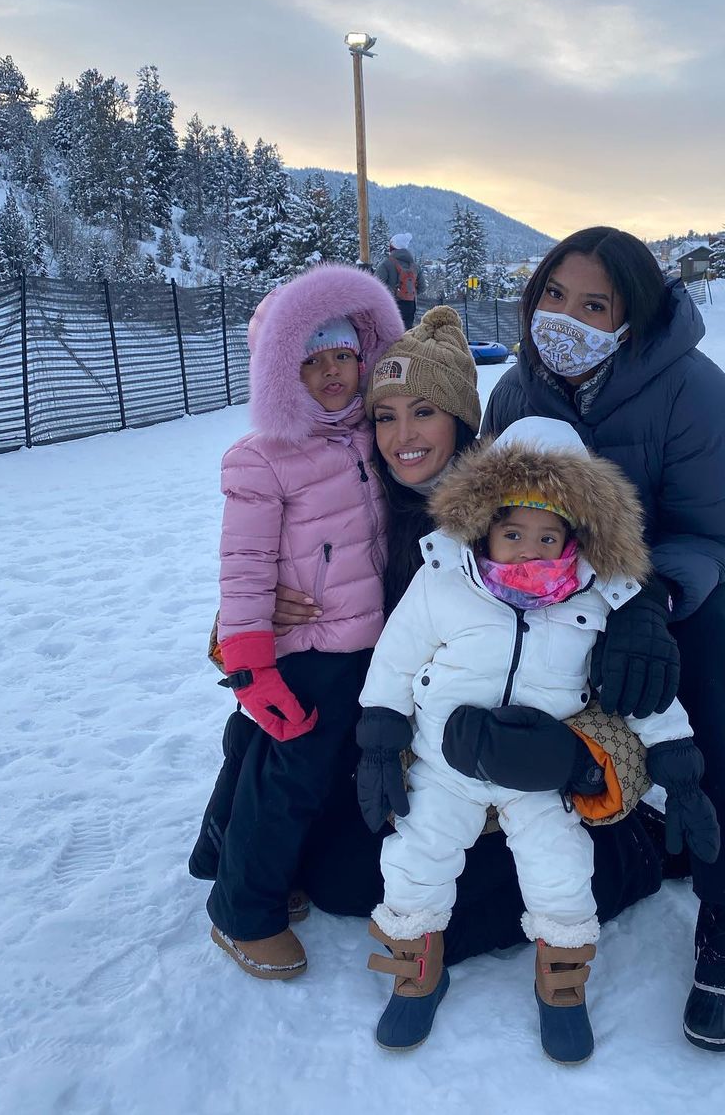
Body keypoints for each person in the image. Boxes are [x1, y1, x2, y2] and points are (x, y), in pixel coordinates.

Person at [191, 307, 676, 975]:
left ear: (461, 419)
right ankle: (243, 839)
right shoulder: (359, 494)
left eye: (425, 412)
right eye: (384, 417)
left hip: (515, 749)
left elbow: (602, 551)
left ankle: (623, 854)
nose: (402, 437)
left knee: (475, 889)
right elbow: (254, 582)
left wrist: (643, 609)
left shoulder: (506, 500)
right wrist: (258, 615)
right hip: (396, 746)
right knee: (338, 876)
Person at [483, 226, 725, 1053]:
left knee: (711, 660)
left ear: (631, 319)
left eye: (592, 305)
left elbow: (714, 532)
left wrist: (649, 598)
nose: (563, 318)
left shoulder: (699, 394)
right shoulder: (518, 395)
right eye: (552, 295)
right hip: (571, 576)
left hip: (696, 571)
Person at [356, 416, 719, 1061]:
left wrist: (678, 763)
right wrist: (381, 735)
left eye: (547, 536)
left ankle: (562, 985)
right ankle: (417, 970)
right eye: (512, 532)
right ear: (484, 525)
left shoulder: (595, 602)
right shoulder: (443, 578)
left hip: (544, 773)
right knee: (414, 861)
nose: (528, 549)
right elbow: (396, 656)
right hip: (446, 764)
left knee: (561, 873)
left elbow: (642, 698)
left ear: (575, 538)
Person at [202, 263, 403, 979]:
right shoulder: (262, 458)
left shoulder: (371, 435)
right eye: (309, 362)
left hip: (365, 643)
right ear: (279, 373)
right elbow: (245, 565)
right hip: (308, 647)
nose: (331, 375)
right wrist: (249, 658)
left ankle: (255, 863)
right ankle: (241, 910)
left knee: (315, 777)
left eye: (343, 356)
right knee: (291, 777)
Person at [375, 231, 425, 328]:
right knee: (407, 334)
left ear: (392, 247)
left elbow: (376, 285)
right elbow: (422, 287)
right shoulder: (415, 266)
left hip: (392, 305)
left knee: (392, 335)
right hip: (410, 305)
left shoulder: (386, 264)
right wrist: (409, 292)